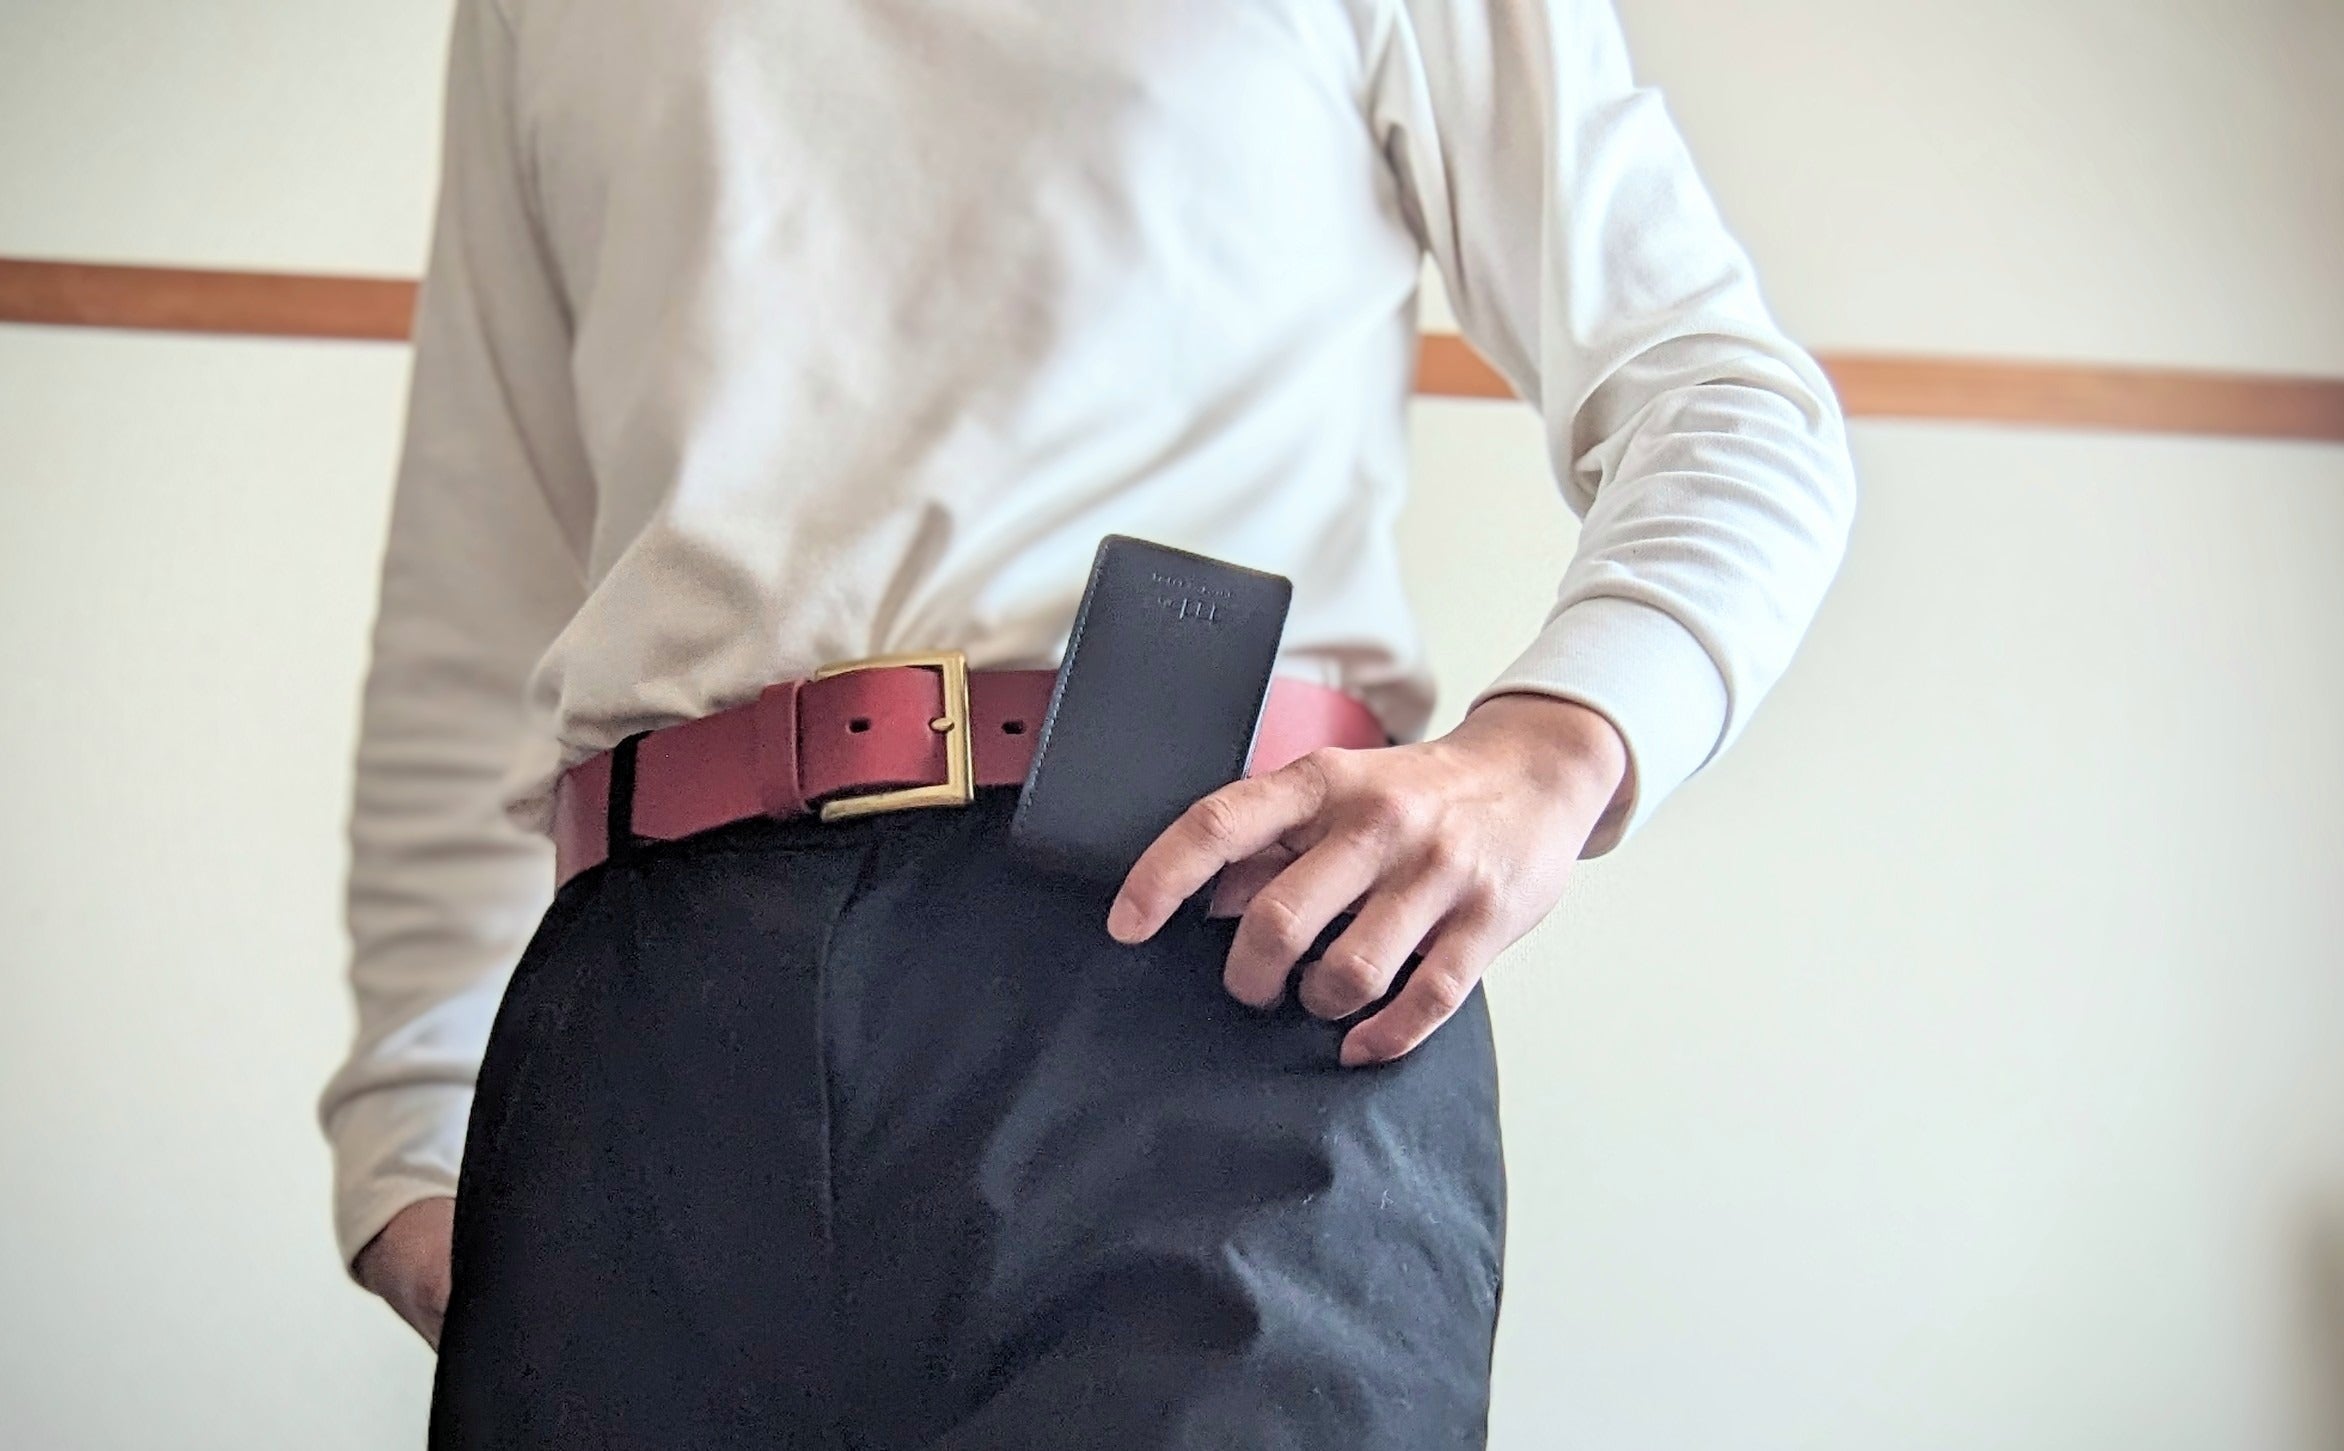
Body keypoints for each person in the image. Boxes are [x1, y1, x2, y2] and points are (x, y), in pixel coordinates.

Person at [322, 0, 1855, 1444]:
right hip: (654, 1033)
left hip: (1213, 972)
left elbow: (1721, 397)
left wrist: (1550, 752)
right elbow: (477, 581)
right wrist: (416, 1111)